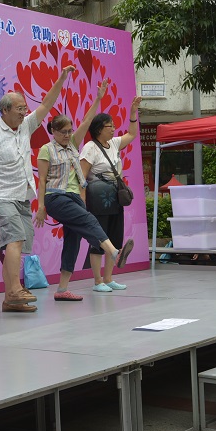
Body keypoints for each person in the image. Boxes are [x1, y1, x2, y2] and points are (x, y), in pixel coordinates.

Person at [0, 65, 75, 313]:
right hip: (1, 195)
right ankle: (14, 290)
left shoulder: (25, 126)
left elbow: (46, 104)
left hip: (22, 196)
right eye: (20, 108)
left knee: (18, 245)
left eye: (25, 108)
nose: (25, 112)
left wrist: (62, 79)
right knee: (14, 239)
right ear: (5, 110)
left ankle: (11, 299)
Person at [35, 79, 135, 301]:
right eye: (63, 132)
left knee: (73, 241)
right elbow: (41, 180)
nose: (67, 135)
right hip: (56, 197)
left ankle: (62, 289)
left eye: (69, 131)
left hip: (74, 198)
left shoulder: (72, 146)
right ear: (53, 131)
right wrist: (41, 206)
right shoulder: (46, 150)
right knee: (90, 220)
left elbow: (87, 121)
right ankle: (114, 252)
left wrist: (98, 98)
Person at [80, 95, 144, 292]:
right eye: (110, 126)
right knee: (98, 239)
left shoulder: (114, 143)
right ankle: (97, 281)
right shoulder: (90, 148)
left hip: (115, 197)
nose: (114, 129)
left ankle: (108, 279)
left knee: (114, 238)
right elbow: (82, 178)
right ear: (99, 129)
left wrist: (132, 113)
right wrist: (83, 202)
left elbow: (132, 134)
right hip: (98, 199)